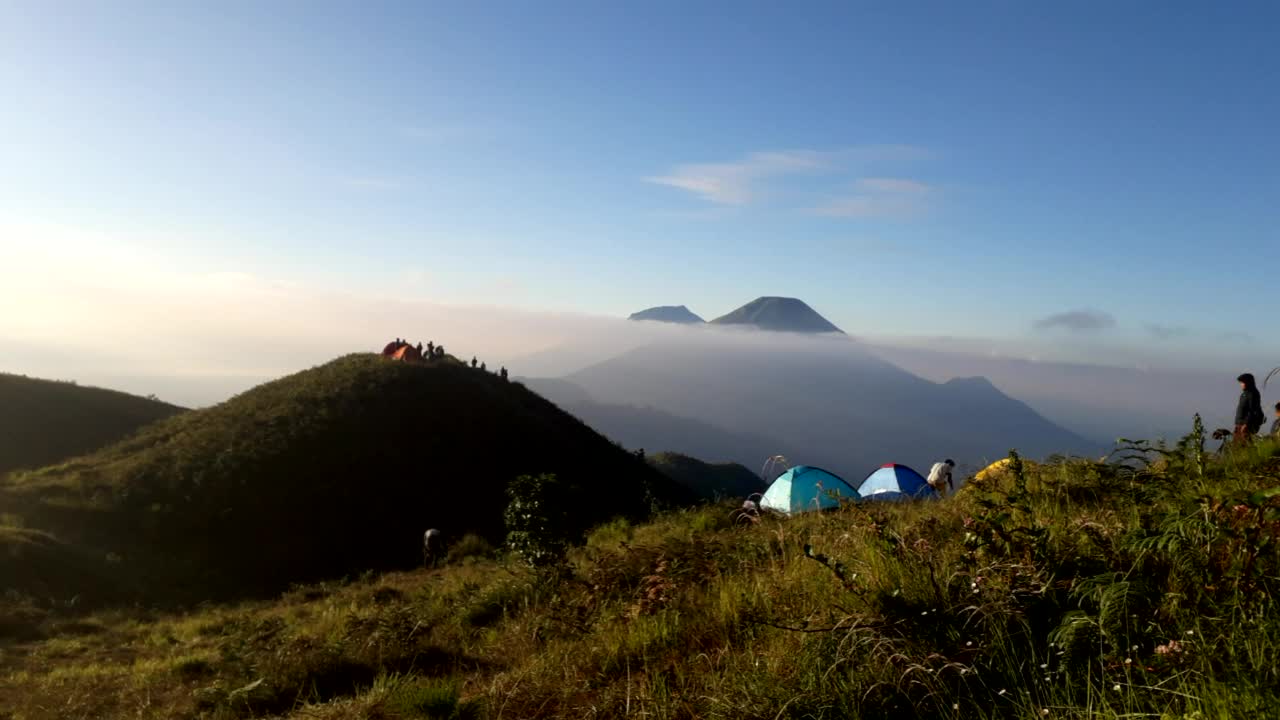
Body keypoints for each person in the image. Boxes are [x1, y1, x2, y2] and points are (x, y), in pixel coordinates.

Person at [1235, 373, 1265, 444]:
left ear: (1248, 382)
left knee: (1244, 446)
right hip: (1240, 424)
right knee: (1237, 446)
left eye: (1242, 382)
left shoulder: (1253, 394)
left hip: (1245, 426)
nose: (1241, 384)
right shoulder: (1245, 394)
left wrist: (1246, 424)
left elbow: (1253, 410)